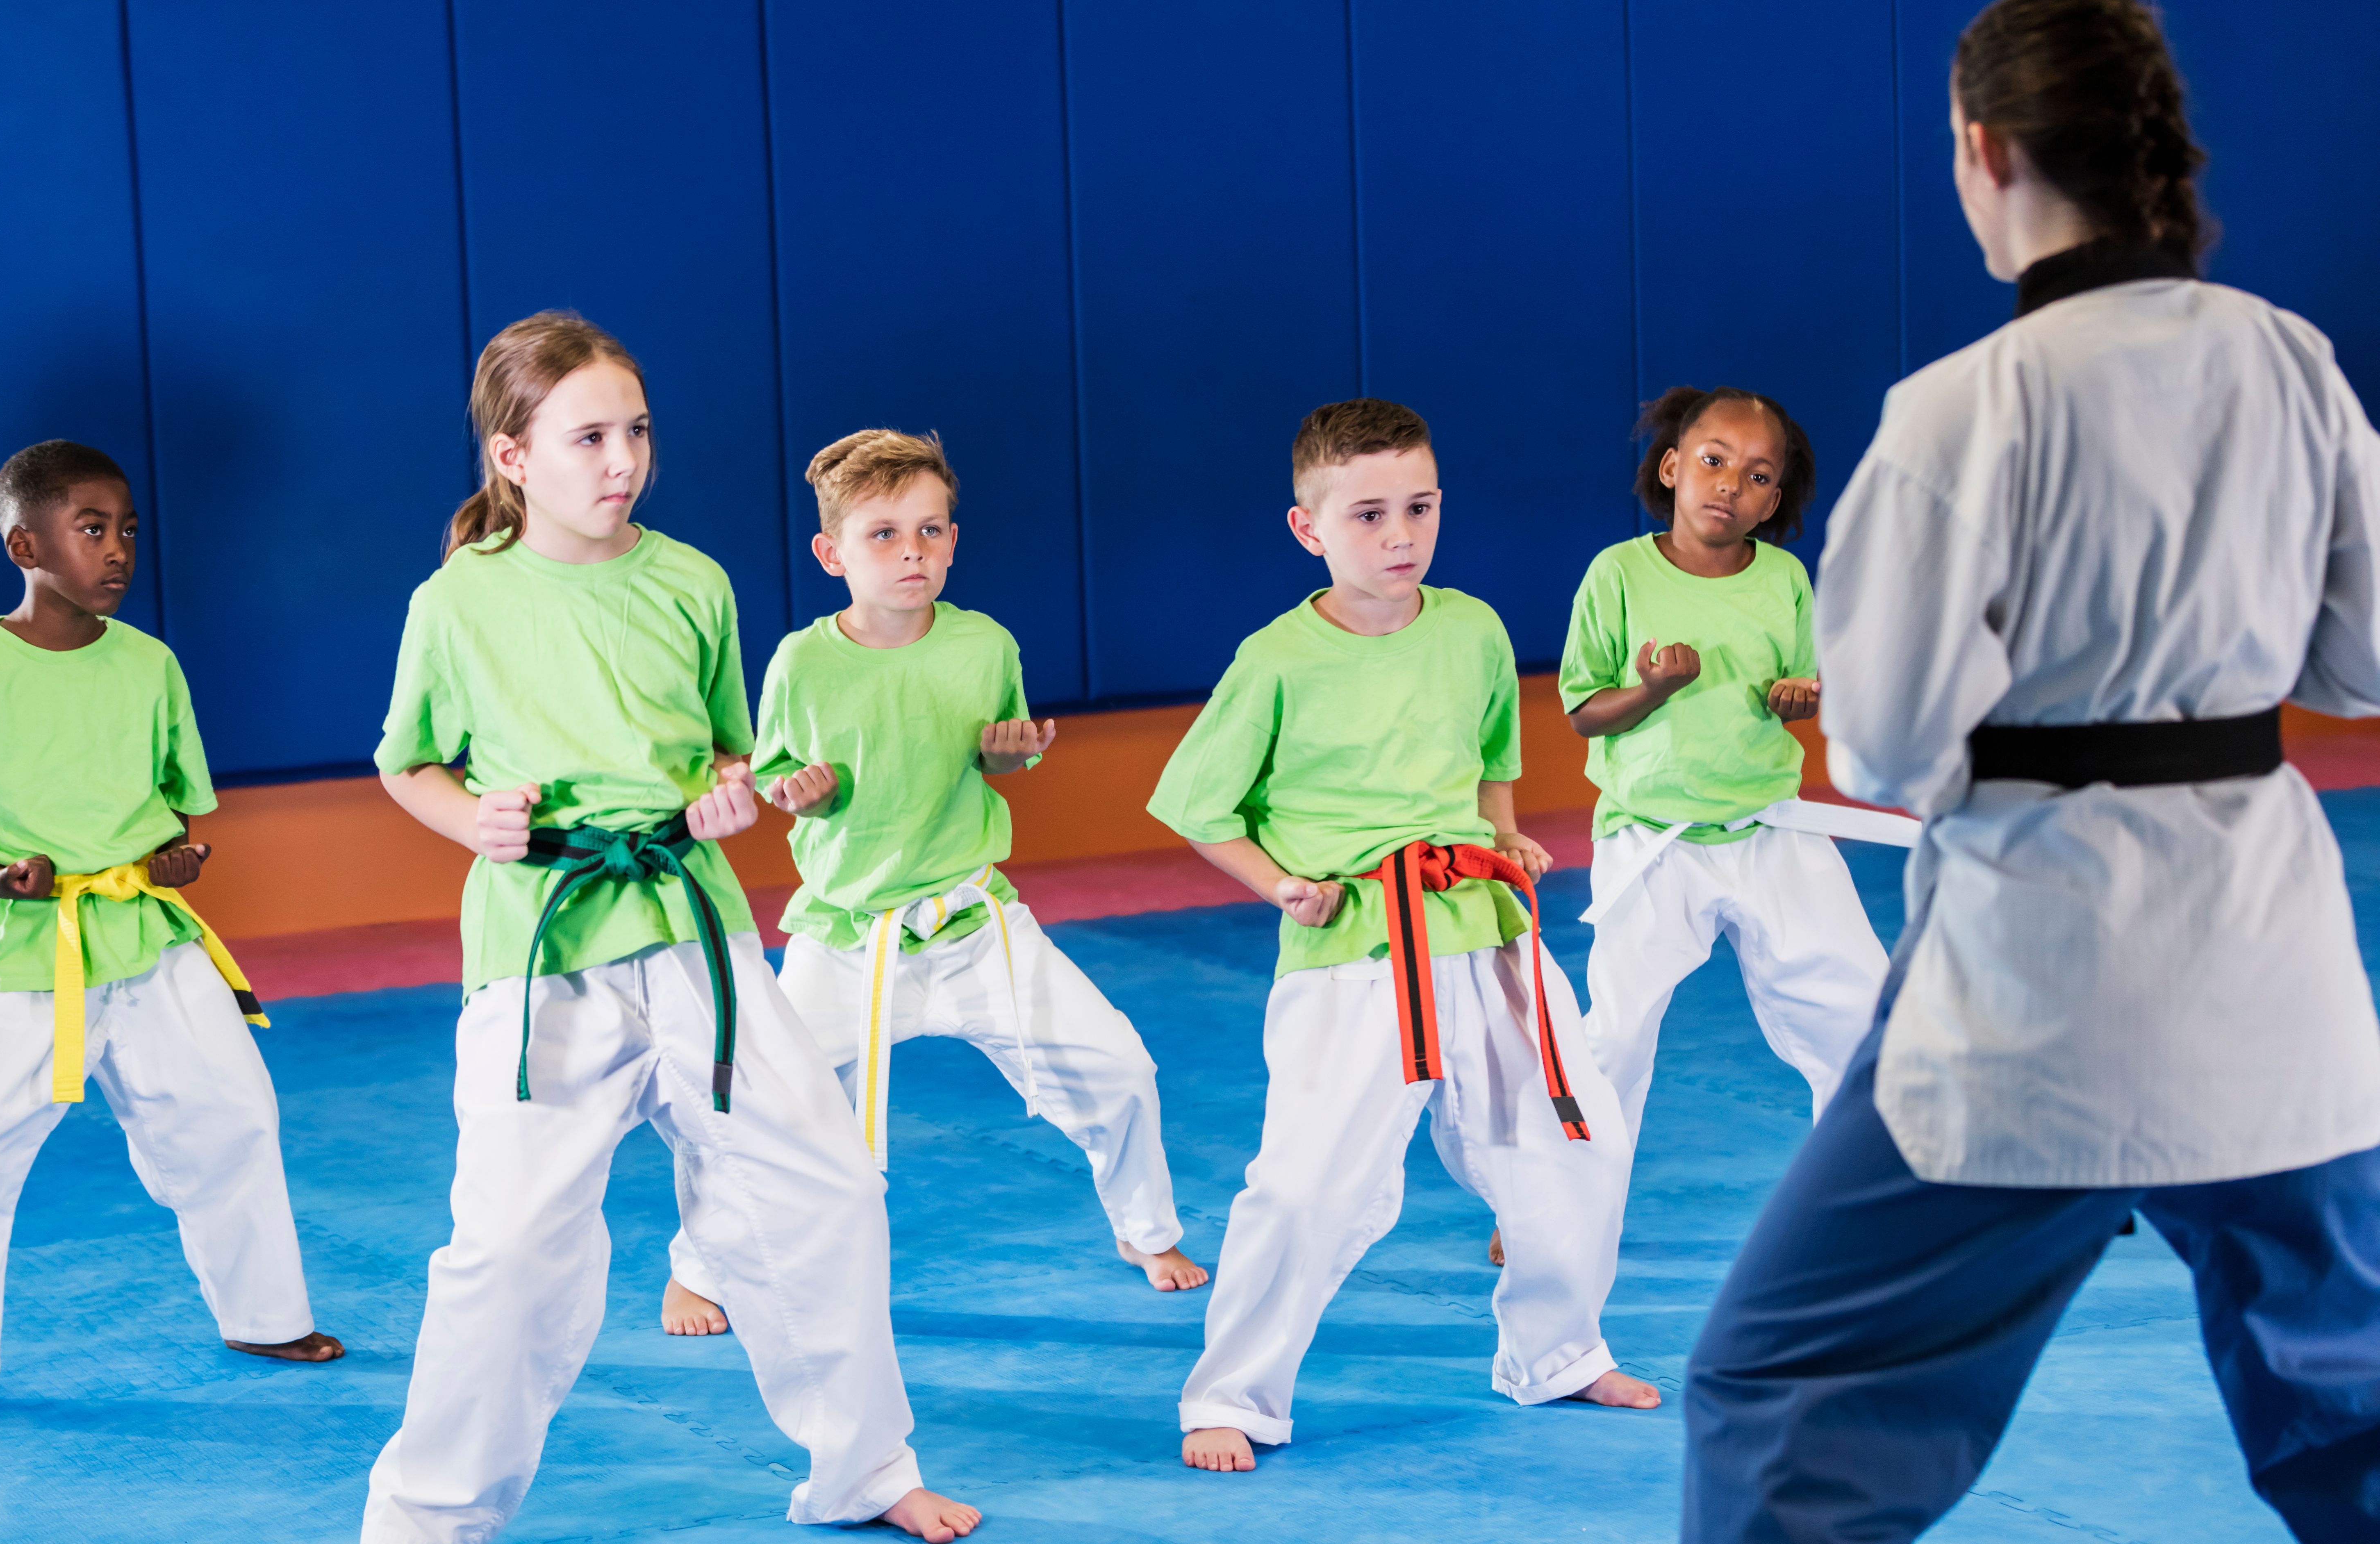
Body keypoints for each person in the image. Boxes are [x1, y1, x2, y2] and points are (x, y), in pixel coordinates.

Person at [1677, 2, 2380, 1544]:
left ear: (1984, 151)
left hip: (2033, 1002)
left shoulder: (1966, 408)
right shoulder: (2292, 360)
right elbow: (2366, 661)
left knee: (1778, 1417)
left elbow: (1895, 751)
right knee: (2355, 1430)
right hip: (2272, 985)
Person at [327, 315, 978, 1544]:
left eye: (634, 432)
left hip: (696, 933)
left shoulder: (693, 582)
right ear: (515, 456)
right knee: (506, 1246)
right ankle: (423, 1519)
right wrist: (475, 821)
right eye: (587, 438)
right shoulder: (457, 602)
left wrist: (738, 796)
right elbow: (409, 760)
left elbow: (726, 755)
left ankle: (863, 1467)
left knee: (827, 1190)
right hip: (542, 947)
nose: (620, 459)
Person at [1154, 398, 1660, 1478]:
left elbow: (1491, 760)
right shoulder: (1278, 658)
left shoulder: (1472, 628)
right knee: (1307, 1185)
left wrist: (1509, 840)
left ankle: (1559, 1352)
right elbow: (1199, 806)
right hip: (1354, 950)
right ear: (1311, 530)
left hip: (1484, 932)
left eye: (1420, 508)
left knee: (1580, 1139)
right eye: (1370, 514)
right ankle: (1232, 1396)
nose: (1400, 536)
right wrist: (1282, 884)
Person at [0, 440, 339, 1438]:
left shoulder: (150, 665)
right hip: (33, 955)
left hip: (154, 943)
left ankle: (265, 1318)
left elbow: (179, 812)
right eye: (93, 529)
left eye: (128, 531)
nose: (119, 551)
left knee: (236, 1114)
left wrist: (178, 859)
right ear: (27, 544)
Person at [654, 428, 1203, 1339]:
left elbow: (996, 754)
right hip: (847, 939)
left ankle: (1146, 1232)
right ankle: (698, 1265)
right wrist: (801, 795)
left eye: (931, 531)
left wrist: (1008, 756)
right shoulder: (803, 661)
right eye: (883, 534)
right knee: (753, 1102)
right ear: (832, 553)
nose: (912, 552)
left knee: (1121, 1068)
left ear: (953, 539)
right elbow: (780, 778)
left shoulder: (985, 644)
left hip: (975, 924)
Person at [1561, 387, 1900, 1169]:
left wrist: (1800, 699)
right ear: (1674, 467)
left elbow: (1797, 689)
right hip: (1653, 837)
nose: (1729, 484)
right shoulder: (1618, 574)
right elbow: (1585, 713)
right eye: (1713, 462)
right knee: (1615, 1030)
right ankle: (1559, 1197)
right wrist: (1650, 690)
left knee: (1862, 1008)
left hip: (1771, 829)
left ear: (1773, 498)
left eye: (1755, 476)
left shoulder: (1783, 579)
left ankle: (1860, 1186)